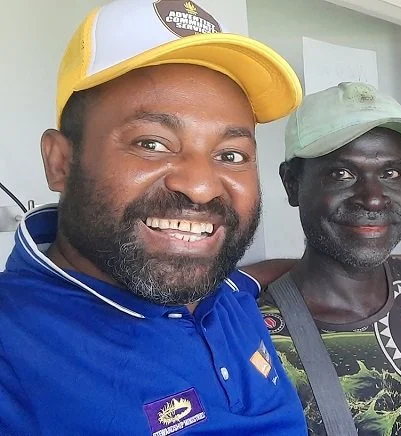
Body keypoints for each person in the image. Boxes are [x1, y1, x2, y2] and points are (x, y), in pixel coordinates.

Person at [0, 0, 307, 433]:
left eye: (231, 154)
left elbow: (257, 277)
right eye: (152, 144)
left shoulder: (223, 291)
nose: (201, 186)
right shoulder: (14, 350)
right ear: (61, 162)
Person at [254, 82, 401, 435]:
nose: (374, 198)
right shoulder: (254, 329)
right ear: (292, 184)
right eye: (341, 174)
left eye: (391, 173)